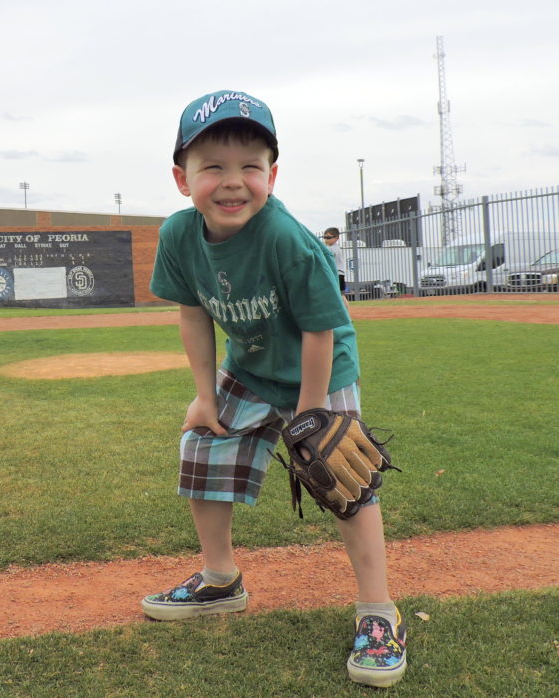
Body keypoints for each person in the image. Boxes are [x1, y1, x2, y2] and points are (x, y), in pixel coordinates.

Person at [142, 90, 406, 687]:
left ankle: (378, 611)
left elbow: (321, 328)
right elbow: (193, 314)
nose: (233, 182)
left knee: (342, 479)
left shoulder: (289, 239)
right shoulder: (179, 237)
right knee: (201, 448)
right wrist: (206, 396)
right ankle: (220, 579)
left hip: (320, 368)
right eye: (213, 166)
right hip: (251, 367)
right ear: (183, 179)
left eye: (250, 167)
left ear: (272, 174)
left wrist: (312, 414)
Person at [323, 227, 350, 304]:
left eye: (328, 237)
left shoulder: (333, 249)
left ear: (336, 238)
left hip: (337, 274)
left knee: (340, 296)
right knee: (339, 295)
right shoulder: (330, 248)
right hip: (336, 274)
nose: (326, 239)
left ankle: (345, 313)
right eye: (325, 237)